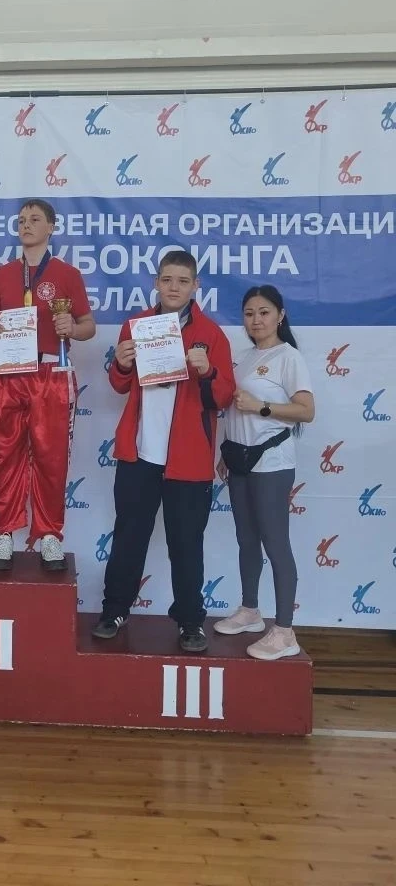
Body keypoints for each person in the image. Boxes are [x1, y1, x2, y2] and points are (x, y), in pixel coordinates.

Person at [92, 250, 235, 652]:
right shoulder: (135, 325)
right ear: (156, 283)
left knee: (186, 545)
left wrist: (208, 372)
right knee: (128, 537)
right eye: (167, 279)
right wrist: (121, 365)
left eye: (183, 281)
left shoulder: (212, 334)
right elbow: (119, 385)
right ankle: (114, 610)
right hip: (139, 455)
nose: (174, 287)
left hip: (188, 461)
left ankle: (190, 621)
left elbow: (224, 396)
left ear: (196, 286)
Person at [0, 198, 96, 571]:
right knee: (5, 455)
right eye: (21, 220)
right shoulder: (1, 275)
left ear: (51, 227)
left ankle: (49, 534)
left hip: (50, 373)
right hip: (9, 375)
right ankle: (5, 531)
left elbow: (88, 326)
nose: (26, 225)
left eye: (34, 219)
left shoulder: (67, 274)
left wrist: (71, 328)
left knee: (51, 457)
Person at [214, 285, 315, 660]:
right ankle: (250, 611)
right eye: (249, 313)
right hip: (238, 459)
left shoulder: (288, 357)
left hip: (272, 462)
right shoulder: (241, 358)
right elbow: (233, 410)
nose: (256, 320)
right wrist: (227, 450)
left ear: (280, 315)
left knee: (275, 543)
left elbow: (306, 411)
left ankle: (285, 631)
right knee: (246, 539)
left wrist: (262, 407)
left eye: (264, 312)